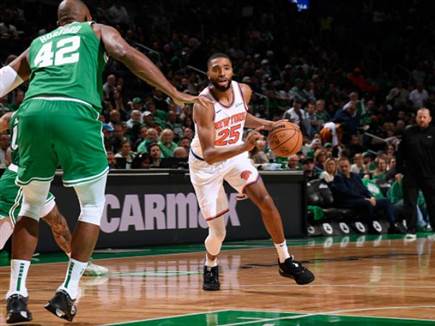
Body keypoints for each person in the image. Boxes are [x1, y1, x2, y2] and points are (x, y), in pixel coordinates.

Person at [0, 0, 206, 322]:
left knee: (29, 207)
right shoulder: (95, 30)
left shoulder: (38, 43)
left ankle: (16, 296)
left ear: (58, 21)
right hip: (75, 112)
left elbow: (3, 81)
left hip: (32, 113)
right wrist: (173, 92)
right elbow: (127, 54)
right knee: (92, 207)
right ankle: (67, 292)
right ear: (88, 17)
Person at [189, 53, 314, 291]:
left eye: (226, 68)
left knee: (266, 201)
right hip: (207, 166)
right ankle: (210, 264)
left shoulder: (243, 91)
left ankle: (285, 260)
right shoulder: (203, 105)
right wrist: (245, 147)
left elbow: (241, 116)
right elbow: (210, 154)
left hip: (235, 156)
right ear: (208, 74)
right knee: (218, 232)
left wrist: (267, 125)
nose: (222, 73)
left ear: (233, 71)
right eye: (216, 69)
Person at [0, 112, 108, 272]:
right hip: (18, 181)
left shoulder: (12, 116)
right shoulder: (51, 116)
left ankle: (80, 265)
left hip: (36, 181)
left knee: (58, 223)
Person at [396, 108, 435, 240]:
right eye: (420, 117)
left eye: (424, 117)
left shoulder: (433, 132)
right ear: (416, 118)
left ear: (430, 118)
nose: (422, 119)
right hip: (411, 174)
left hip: (430, 175)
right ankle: (411, 230)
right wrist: (398, 171)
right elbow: (400, 153)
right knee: (410, 203)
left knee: (432, 202)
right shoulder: (408, 132)